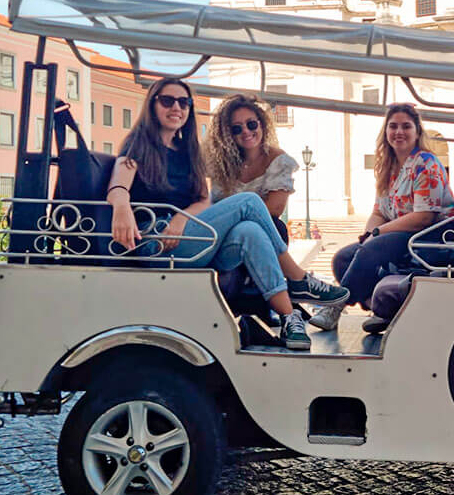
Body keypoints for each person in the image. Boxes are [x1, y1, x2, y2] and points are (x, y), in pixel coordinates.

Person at [106, 78, 347, 350]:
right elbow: (118, 184)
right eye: (167, 101)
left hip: (189, 241)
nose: (177, 107)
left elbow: (201, 200)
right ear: (152, 105)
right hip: (157, 242)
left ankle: (289, 316)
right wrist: (121, 206)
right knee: (248, 202)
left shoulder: (188, 151)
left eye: (183, 102)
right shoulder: (138, 145)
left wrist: (182, 217)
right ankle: (299, 280)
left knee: (250, 232)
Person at [324, 103, 454, 333]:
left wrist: (376, 235)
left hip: (432, 238)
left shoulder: (426, 163)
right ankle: (383, 310)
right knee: (342, 259)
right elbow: (379, 212)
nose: (399, 132)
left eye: (406, 126)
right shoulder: (390, 168)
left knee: (371, 249)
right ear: (386, 132)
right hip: (404, 236)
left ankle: (334, 307)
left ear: (417, 132)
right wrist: (368, 235)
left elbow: (424, 217)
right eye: (393, 126)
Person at [204, 93, 298, 241]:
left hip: (258, 230)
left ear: (262, 124)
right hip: (223, 235)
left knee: (275, 227)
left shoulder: (278, 160)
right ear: (228, 133)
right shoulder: (218, 162)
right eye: (236, 128)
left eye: (251, 124)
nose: (246, 131)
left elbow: (275, 209)